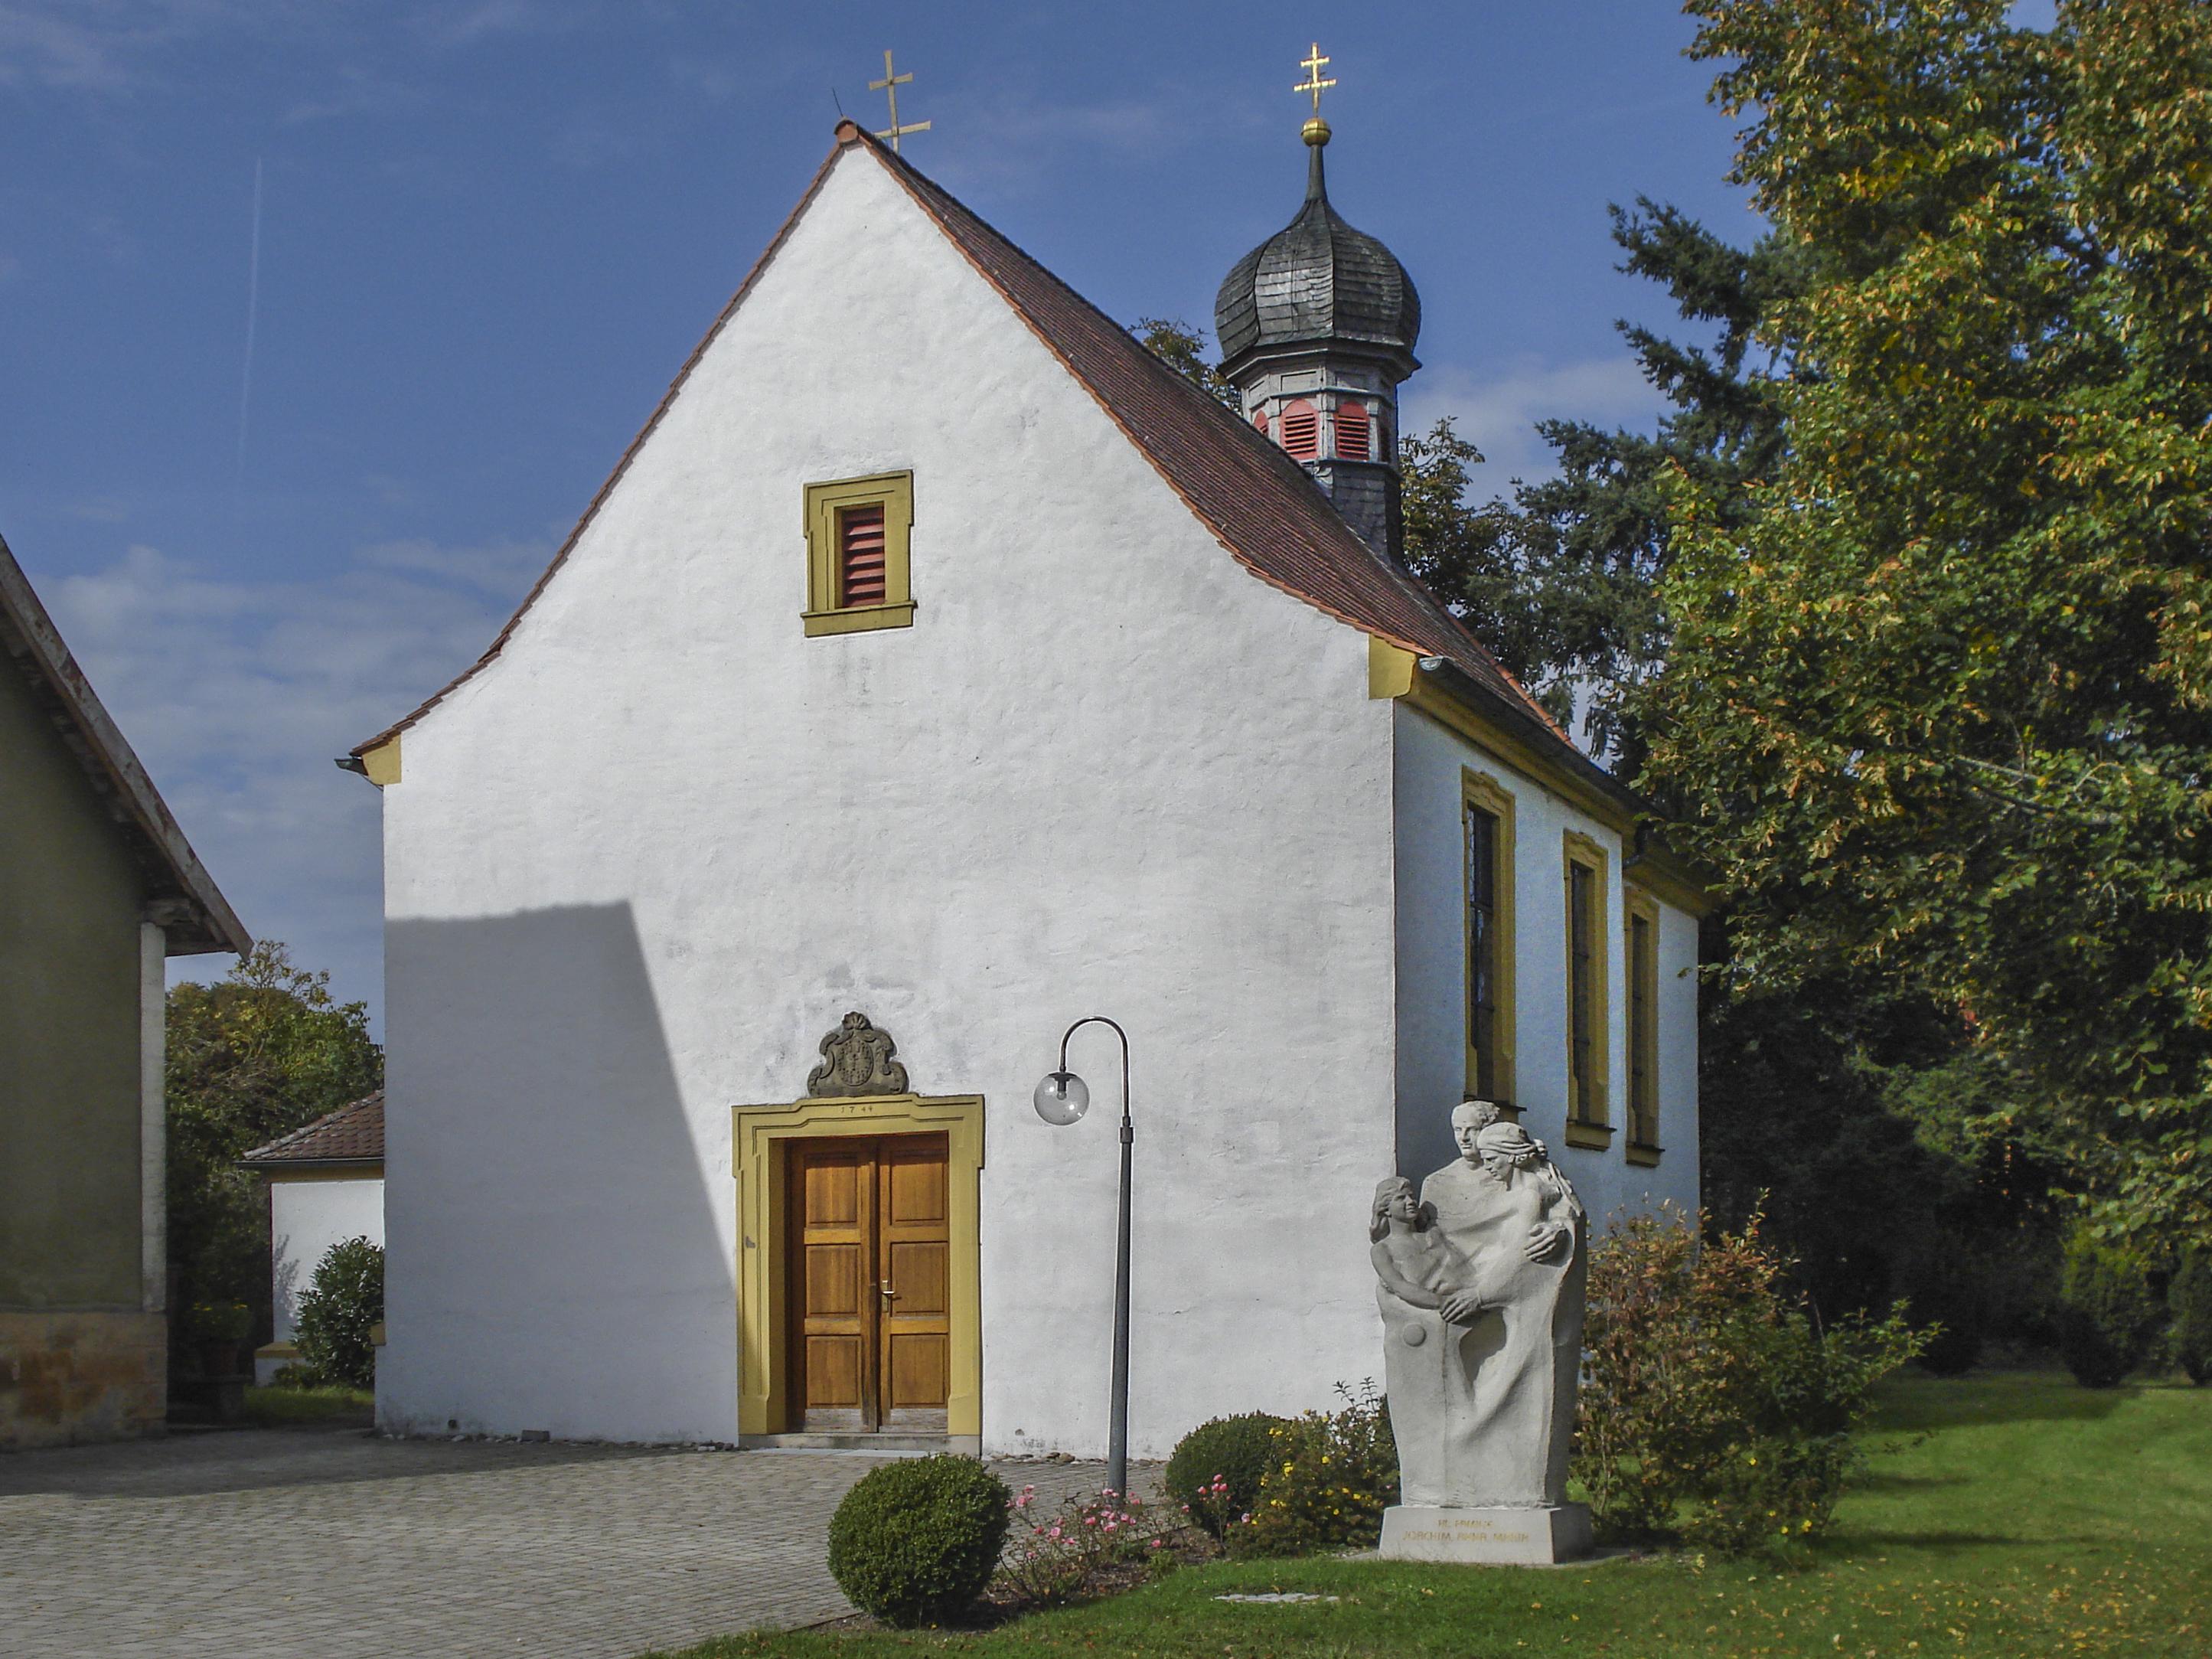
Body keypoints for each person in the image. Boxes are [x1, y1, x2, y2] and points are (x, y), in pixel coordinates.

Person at [1375, 1099, 1587, 1509]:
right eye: (1458, 1131)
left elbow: (1563, 1213)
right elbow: (1416, 1244)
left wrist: (1558, 1231)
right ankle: (1443, 1483)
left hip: (1508, 1295)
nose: (1465, 1140)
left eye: (1473, 1130)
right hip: (1451, 1303)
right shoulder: (1437, 1186)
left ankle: (1512, 1486)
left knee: (1522, 1379)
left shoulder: (1530, 1178)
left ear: (1494, 1130)